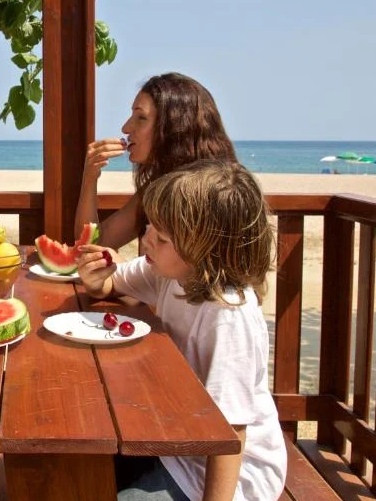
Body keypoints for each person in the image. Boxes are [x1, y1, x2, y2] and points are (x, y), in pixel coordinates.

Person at [78, 160, 287, 501]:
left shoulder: (227, 315)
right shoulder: (170, 272)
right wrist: (96, 278)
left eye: (160, 238)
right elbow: (110, 284)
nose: (145, 241)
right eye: (149, 228)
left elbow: (232, 430)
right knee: (69, 468)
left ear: (203, 250)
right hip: (175, 439)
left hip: (225, 473)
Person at [75, 73, 238, 253]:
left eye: (141, 118)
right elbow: (94, 244)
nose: (125, 128)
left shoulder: (210, 195)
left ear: (174, 127)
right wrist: (90, 177)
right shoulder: (158, 186)